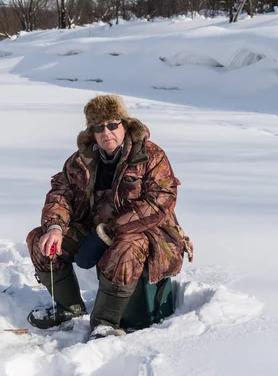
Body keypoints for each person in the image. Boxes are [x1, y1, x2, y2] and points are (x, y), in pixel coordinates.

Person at [26, 94, 193, 340]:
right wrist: (55, 227)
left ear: (125, 124)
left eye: (113, 125)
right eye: (99, 127)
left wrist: (108, 232)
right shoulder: (79, 162)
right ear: (91, 132)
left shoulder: (150, 156)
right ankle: (68, 308)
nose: (107, 132)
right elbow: (60, 194)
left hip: (151, 235)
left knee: (125, 248)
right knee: (41, 241)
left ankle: (105, 322)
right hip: (94, 230)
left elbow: (160, 201)